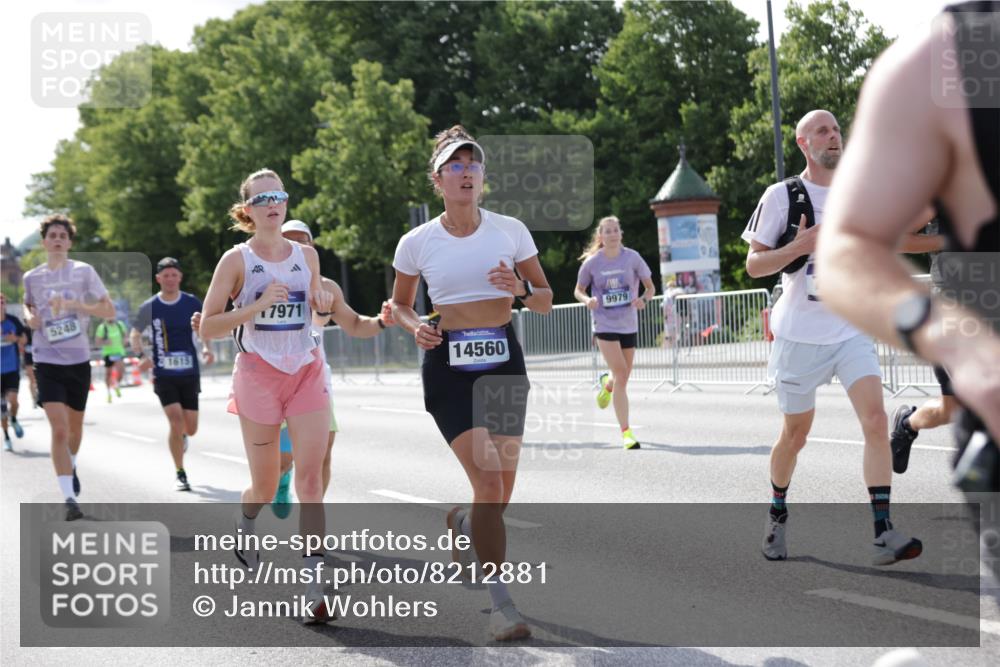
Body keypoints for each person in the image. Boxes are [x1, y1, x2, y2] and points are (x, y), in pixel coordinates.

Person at [817, 4, 998, 489]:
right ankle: (907, 423)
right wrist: (962, 345)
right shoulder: (943, 58)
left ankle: (909, 422)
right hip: (968, 313)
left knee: (950, 409)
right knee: (956, 407)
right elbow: (852, 245)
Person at [390, 125, 553, 641]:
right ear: (437, 180)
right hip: (450, 369)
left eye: (473, 165)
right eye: (455, 166)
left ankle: (462, 524)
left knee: (500, 491)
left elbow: (546, 298)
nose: (466, 173)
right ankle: (503, 607)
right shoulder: (418, 241)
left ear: (484, 178)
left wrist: (522, 288)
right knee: (487, 482)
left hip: (502, 359)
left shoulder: (510, 230)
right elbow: (398, 303)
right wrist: (416, 325)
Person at [742, 109, 922, 566]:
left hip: (850, 330)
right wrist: (799, 247)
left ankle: (883, 532)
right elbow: (754, 265)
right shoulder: (783, 196)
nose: (834, 136)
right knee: (795, 435)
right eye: (823, 131)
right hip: (799, 336)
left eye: (837, 129)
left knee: (877, 421)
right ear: (804, 143)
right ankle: (777, 511)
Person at [197, 168, 334, 623]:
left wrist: (321, 303)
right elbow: (210, 324)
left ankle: (316, 586)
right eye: (263, 198)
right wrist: (255, 306)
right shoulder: (235, 260)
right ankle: (246, 518)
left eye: (279, 195)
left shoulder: (306, 254)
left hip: (305, 369)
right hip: (257, 375)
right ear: (248, 211)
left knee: (311, 481)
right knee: (263, 481)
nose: (273, 203)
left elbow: (317, 301)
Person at [270, 220, 395, 516]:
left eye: (304, 242)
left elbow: (353, 323)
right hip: (274, 385)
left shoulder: (325, 287)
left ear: (313, 248)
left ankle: (311, 519)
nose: (298, 248)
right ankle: (282, 477)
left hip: (315, 383)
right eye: (290, 241)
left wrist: (381, 321)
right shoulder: (264, 283)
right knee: (284, 458)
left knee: (321, 458)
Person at [22, 214, 115, 520]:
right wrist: (29, 318)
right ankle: (69, 498)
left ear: (70, 241)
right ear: (44, 241)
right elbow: (29, 306)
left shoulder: (84, 272)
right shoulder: (32, 278)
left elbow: (109, 310)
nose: (58, 239)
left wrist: (77, 306)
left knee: (75, 429)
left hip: (78, 360)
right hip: (47, 360)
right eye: (53, 235)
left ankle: (70, 464)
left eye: (63, 235)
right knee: (59, 430)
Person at [130, 257, 214, 492]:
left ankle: (182, 437)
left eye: (173, 274)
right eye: (165, 275)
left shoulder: (190, 303)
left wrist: (207, 348)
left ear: (180, 277)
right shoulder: (149, 306)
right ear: (158, 279)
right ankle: (180, 472)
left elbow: (203, 327)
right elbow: (135, 334)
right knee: (175, 421)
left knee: (191, 427)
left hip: (189, 372)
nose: (170, 279)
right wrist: (141, 357)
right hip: (163, 373)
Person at [573, 215, 655, 449]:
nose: (611, 234)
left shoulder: (632, 258)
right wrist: (587, 299)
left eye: (615, 230)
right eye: (607, 231)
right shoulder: (592, 262)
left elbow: (650, 287)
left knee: (623, 376)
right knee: (621, 373)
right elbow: (578, 290)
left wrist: (643, 300)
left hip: (628, 323)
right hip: (604, 324)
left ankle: (607, 385)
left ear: (620, 234)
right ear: (600, 236)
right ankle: (626, 433)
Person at [1, 294, 27, 451]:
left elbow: (24, 339)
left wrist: (15, 338)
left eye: (2, 302)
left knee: (14, 401)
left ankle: (15, 419)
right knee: (1, 409)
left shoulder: (13, 321)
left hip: (11, 368)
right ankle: (6, 437)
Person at [95, 315, 128, 402]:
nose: (110, 317)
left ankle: (116, 385)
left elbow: (125, 335)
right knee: (108, 374)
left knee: (121, 372)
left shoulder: (120, 325)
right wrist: (105, 342)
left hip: (119, 352)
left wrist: (125, 340)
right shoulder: (102, 327)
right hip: (108, 353)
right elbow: (97, 342)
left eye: (112, 315)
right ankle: (108, 392)